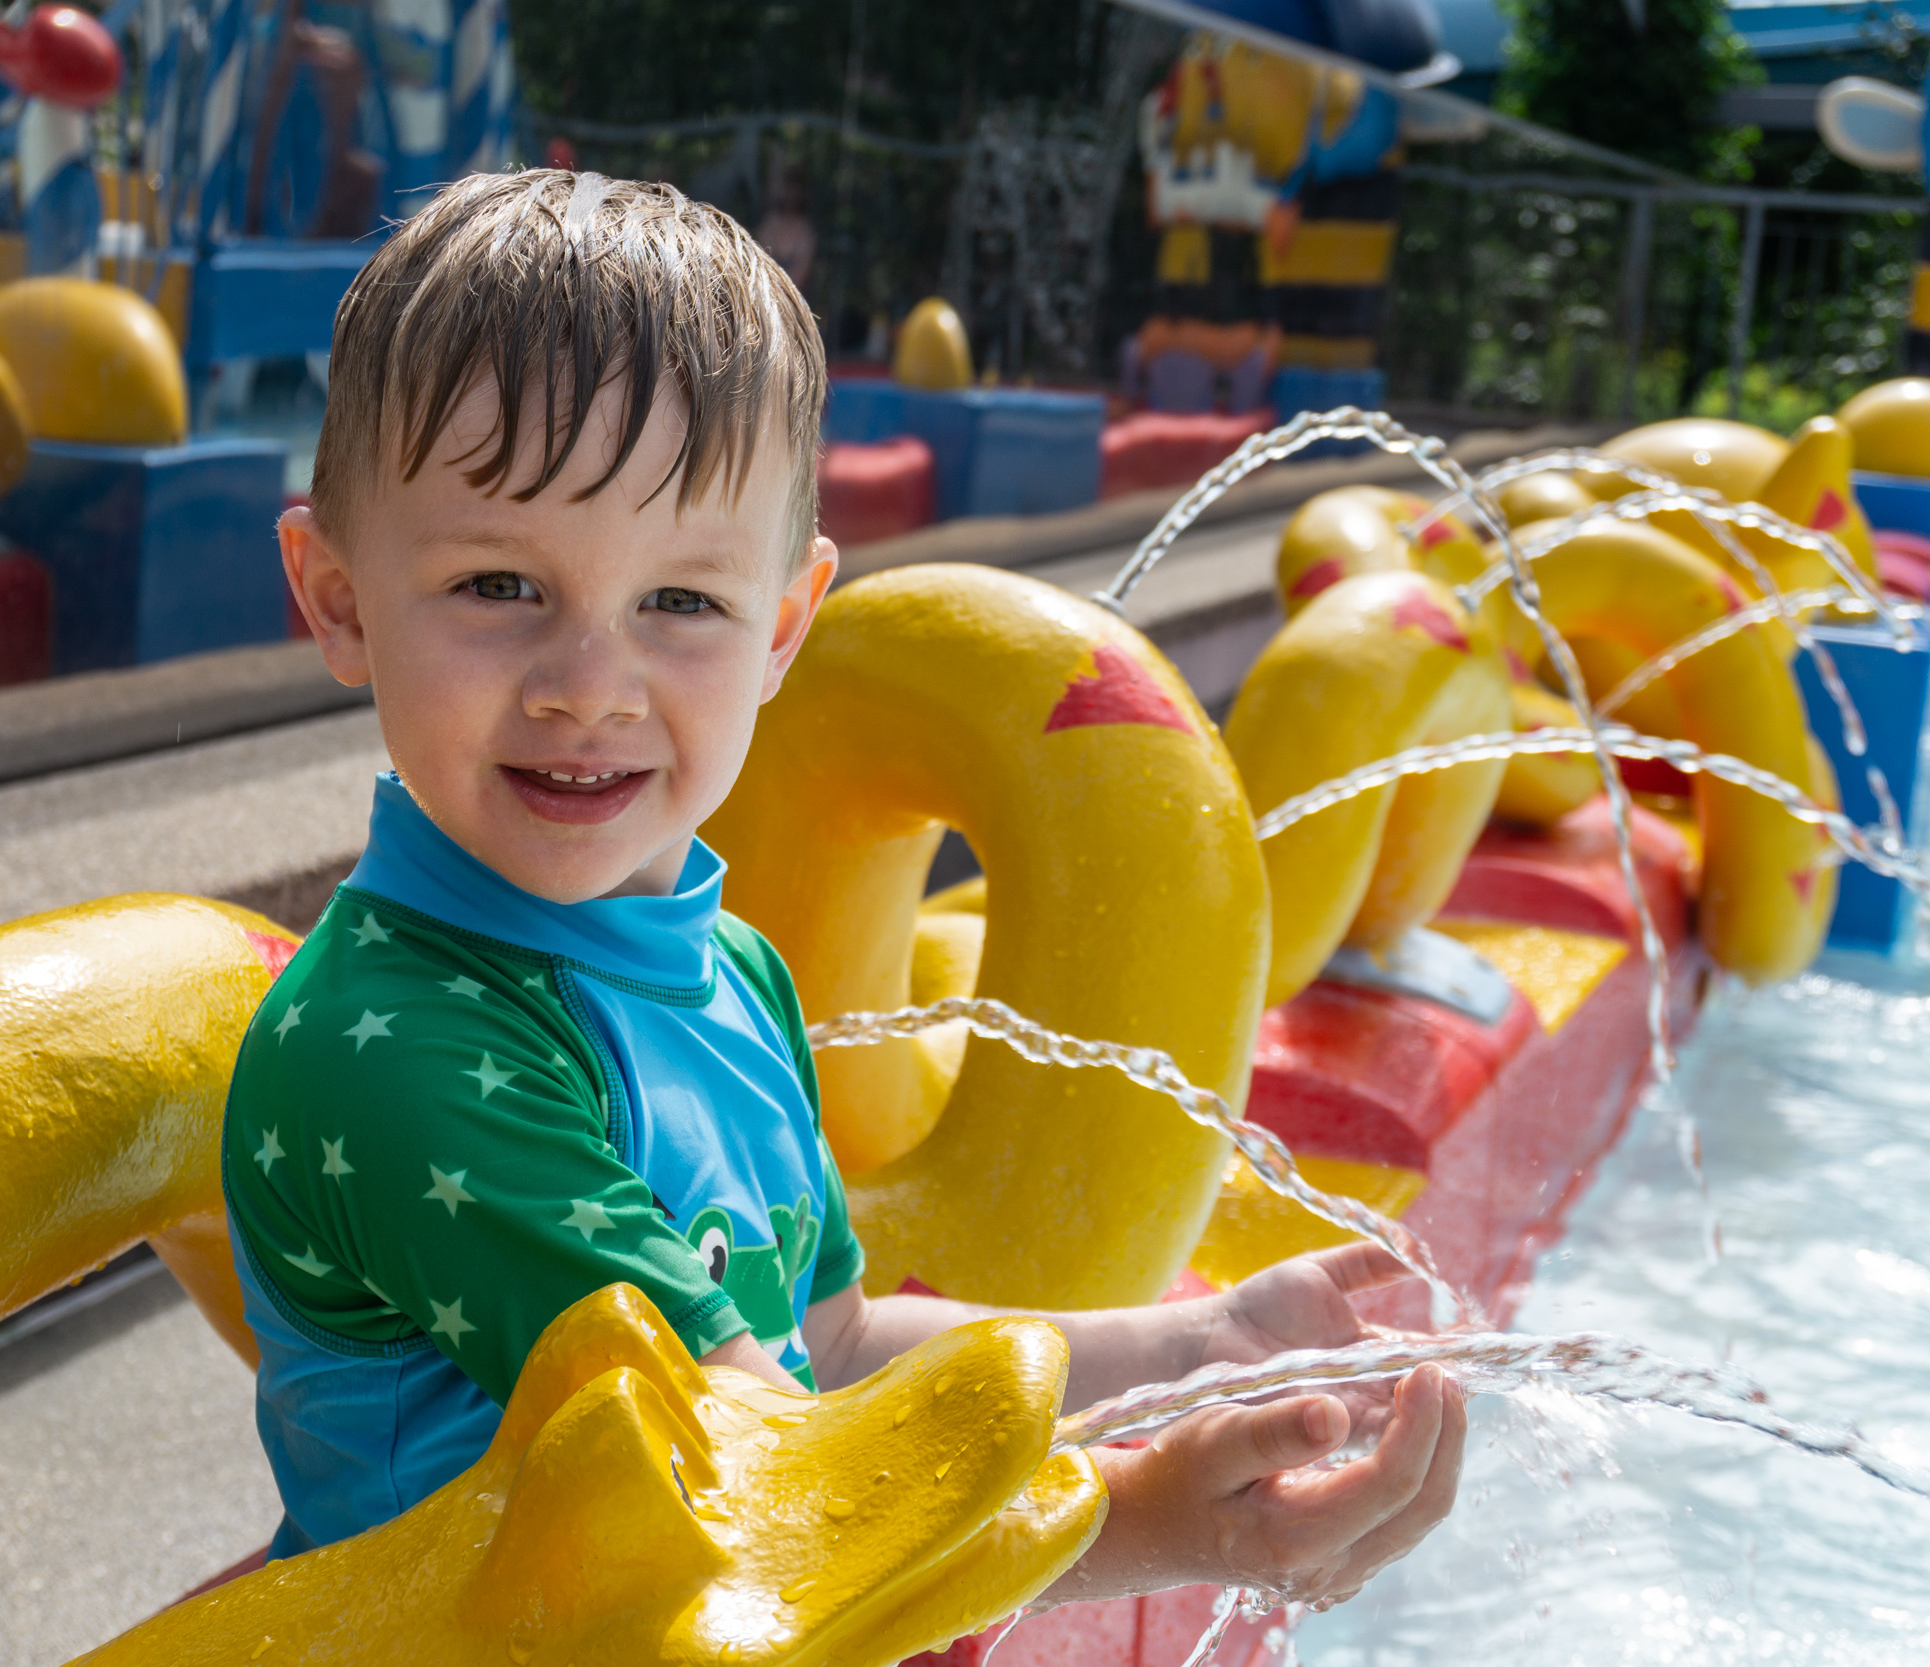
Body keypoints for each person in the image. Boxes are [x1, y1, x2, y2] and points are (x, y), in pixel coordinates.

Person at [239, 167, 1465, 1611]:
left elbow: (836, 1345)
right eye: (500, 585)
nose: (590, 688)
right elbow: (772, 1476)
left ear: (786, 626)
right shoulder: (411, 1053)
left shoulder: (732, 976)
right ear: (336, 597)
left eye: (681, 603)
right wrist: (1156, 1520)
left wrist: (1195, 1347)